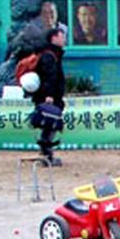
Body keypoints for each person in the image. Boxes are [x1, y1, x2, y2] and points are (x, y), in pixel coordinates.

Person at [30, 28, 67, 165]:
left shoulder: (52, 54)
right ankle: (46, 155)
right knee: (49, 124)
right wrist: (49, 95)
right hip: (48, 97)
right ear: (54, 38)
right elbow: (49, 77)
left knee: (50, 125)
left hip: (50, 95)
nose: (64, 40)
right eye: (62, 37)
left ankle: (46, 152)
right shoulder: (49, 56)